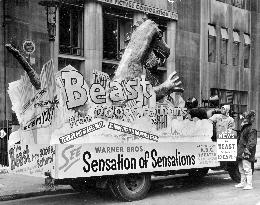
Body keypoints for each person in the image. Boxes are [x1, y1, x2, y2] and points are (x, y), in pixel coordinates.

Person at [235, 110, 257, 190]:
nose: (242, 120)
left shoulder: (251, 129)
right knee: (241, 168)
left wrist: (246, 150)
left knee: (247, 168)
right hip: (241, 151)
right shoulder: (245, 128)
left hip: (246, 151)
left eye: (244, 118)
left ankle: (249, 184)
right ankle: (242, 183)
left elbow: (252, 142)